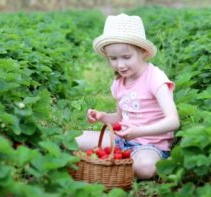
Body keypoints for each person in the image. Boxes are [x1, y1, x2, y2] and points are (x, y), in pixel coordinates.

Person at [76, 13, 180, 180]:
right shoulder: (119, 83)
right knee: (74, 139)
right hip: (121, 140)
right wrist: (102, 116)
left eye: (126, 57)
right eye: (113, 58)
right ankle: (121, 161)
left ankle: (140, 163)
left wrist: (139, 132)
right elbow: (119, 118)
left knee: (145, 168)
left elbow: (173, 121)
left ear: (143, 52)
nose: (120, 65)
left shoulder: (155, 78)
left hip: (149, 144)